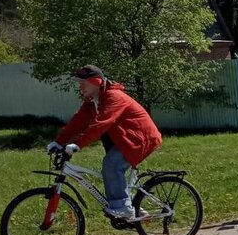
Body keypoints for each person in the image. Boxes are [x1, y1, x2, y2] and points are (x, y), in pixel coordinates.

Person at [48, 65, 162, 220]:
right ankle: (135, 209)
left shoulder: (113, 96)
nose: (80, 87)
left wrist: (78, 144)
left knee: (111, 165)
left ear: (96, 82)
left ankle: (123, 208)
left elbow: (101, 123)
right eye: (79, 83)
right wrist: (58, 142)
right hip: (124, 139)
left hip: (140, 139)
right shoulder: (92, 101)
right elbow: (77, 122)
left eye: (84, 83)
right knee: (111, 171)